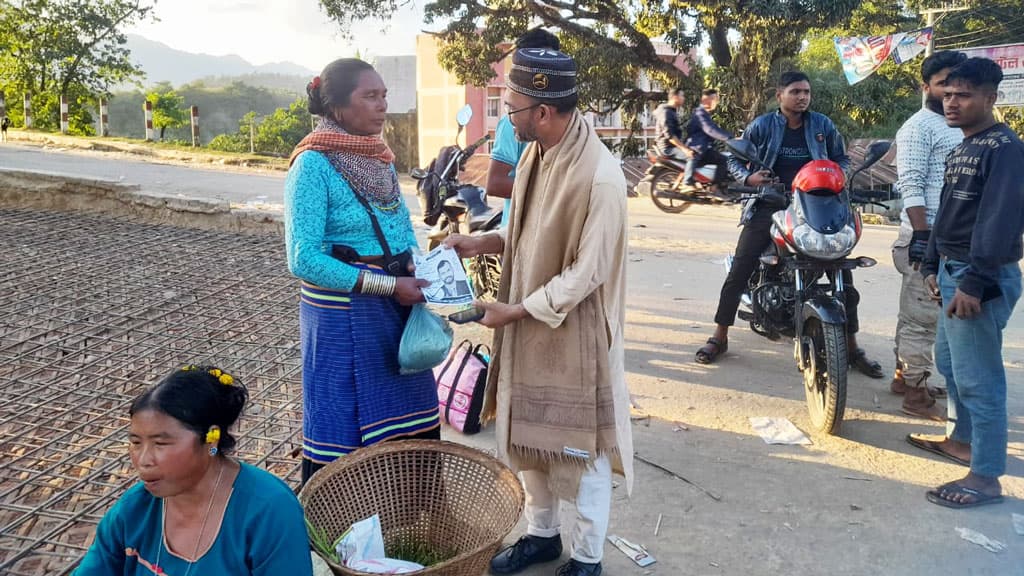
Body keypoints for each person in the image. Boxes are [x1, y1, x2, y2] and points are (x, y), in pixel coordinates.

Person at [446, 48, 632, 576]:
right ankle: (542, 536)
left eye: (512, 108)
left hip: (578, 336)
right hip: (528, 321)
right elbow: (527, 235)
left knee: (582, 451)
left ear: (543, 112)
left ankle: (589, 558)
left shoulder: (600, 177)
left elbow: (585, 274)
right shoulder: (536, 154)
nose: (509, 116)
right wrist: (481, 241)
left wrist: (514, 311)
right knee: (526, 433)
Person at [284, 58, 438, 486]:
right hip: (344, 321)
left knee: (412, 423)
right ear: (336, 107)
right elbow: (303, 259)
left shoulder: (381, 158)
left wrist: (415, 263)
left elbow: (401, 227)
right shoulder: (312, 165)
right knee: (348, 431)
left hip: (395, 314)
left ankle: (409, 527)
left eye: (384, 95)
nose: (382, 105)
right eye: (369, 96)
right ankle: (351, 542)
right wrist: (389, 285)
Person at [695, 71, 883, 379]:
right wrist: (748, 177)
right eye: (795, 91)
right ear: (780, 95)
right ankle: (720, 335)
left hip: (815, 204)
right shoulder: (762, 125)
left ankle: (851, 346)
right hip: (769, 202)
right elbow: (733, 157)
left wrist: (840, 174)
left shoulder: (823, 125)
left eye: (806, 91)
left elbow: (842, 159)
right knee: (740, 268)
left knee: (842, 273)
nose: (803, 97)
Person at [74, 365, 314, 576]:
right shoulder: (134, 510)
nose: (144, 460)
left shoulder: (268, 511)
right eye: (136, 443)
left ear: (211, 441)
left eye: (161, 443)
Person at [918, 58, 1024, 509]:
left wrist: (975, 283)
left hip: (978, 275)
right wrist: (928, 261)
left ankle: (985, 476)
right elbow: (949, 213)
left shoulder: (1004, 149)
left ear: (990, 99)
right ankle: (961, 440)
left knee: (980, 379)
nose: (952, 102)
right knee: (949, 362)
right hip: (951, 270)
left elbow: (998, 221)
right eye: (948, 93)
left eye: (964, 95)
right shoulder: (965, 145)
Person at [890, 50, 966, 421]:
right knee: (922, 320)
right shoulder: (918, 127)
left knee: (915, 315)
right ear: (927, 86)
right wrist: (923, 237)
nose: (952, 89)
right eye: (944, 82)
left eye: (958, 81)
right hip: (925, 237)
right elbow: (911, 184)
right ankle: (916, 396)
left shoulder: (956, 124)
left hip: (946, 237)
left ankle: (905, 378)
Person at [487, 28, 562, 227]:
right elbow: (495, 184)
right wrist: (550, 191)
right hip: (518, 235)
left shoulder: (566, 118)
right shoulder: (512, 122)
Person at [683, 88, 733, 189]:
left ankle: (714, 185)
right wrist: (729, 138)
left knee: (724, 159)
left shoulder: (705, 114)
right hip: (696, 148)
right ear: (707, 100)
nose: (716, 102)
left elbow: (714, 129)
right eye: (715, 99)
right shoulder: (700, 114)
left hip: (703, 148)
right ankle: (710, 186)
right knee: (723, 160)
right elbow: (710, 130)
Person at [653, 88, 689, 161]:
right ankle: (688, 173)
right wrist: (685, 149)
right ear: (675, 97)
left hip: (672, 147)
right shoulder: (666, 113)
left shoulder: (671, 111)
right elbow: (670, 136)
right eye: (682, 96)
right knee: (693, 157)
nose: (684, 98)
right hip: (667, 149)